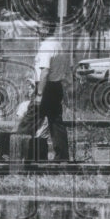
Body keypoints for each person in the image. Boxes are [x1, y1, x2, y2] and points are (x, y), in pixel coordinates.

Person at [34, 23, 71, 161]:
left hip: (45, 88)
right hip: (56, 87)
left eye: (40, 28)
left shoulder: (46, 46)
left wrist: (39, 95)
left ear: (46, 29)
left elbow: (44, 72)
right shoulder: (58, 45)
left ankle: (18, 152)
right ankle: (62, 157)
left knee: (30, 120)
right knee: (56, 123)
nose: (37, 31)